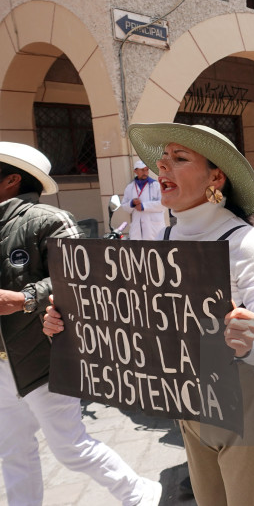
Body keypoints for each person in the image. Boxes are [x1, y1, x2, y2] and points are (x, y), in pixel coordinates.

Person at [45, 123, 254, 505]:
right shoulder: (162, 240)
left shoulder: (247, 243)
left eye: (180, 159)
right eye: (163, 159)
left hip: (246, 410)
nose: (163, 167)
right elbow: (131, 322)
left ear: (216, 177)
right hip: (189, 407)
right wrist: (69, 326)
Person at [0, 142, 161, 506]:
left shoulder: (47, 220)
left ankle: (142, 495)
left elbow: (78, 276)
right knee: (13, 451)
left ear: (12, 180)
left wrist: (24, 298)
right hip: (3, 364)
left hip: (45, 358)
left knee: (71, 447)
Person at [120, 159, 166, 240]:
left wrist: (144, 206)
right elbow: (124, 205)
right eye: (142, 170)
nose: (145, 172)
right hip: (137, 229)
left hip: (154, 228)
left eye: (146, 170)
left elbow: (164, 203)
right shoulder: (130, 187)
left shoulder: (156, 185)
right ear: (135, 171)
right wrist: (132, 203)